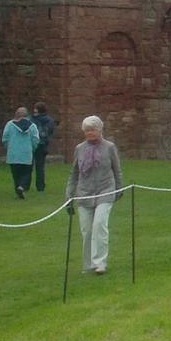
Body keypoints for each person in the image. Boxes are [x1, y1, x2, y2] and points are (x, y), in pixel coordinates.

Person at [65, 115, 123, 276]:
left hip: (106, 190)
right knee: (87, 230)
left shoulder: (109, 147)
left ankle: (100, 263)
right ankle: (88, 263)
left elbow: (117, 169)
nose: (90, 133)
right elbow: (74, 173)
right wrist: (68, 194)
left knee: (99, 225)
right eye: (87, 130)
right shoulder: (79, 148)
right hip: (84, 193)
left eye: (93, 130)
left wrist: (119, 188)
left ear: (100, 130)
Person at [1, 106, 41, 198]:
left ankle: (18, 188)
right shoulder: (32, 126)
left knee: (15, 174)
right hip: (26, 153)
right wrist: (32, 148)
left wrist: (9, 147)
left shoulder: (9, 125)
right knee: (26, 173)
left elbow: (5, 138)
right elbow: (35, 139)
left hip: (13, 154)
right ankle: (22, 187)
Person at [31, 102, 56, 192]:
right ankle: (40, 186)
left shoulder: (32, 119)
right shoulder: (49, 120)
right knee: (40, 167)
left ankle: (25, 185)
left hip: (32, 144)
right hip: (43, 144)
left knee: (28, 165)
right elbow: (51, 131)